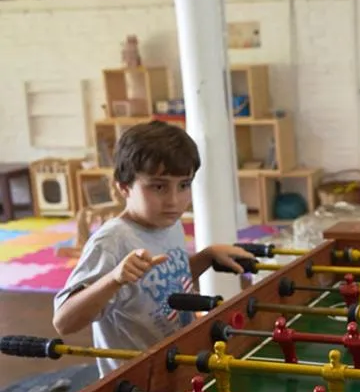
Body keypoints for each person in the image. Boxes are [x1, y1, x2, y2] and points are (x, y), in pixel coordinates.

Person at [52, 120, 254, 378]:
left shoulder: (169, 223)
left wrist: (206, 257)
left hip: (176, 366)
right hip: (136, 383)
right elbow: (64, 322)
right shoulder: (112, 242)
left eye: (184, 185)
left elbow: (165, 283)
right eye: (159, 186)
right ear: (123, 186)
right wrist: (114, 279)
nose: (174, 201)